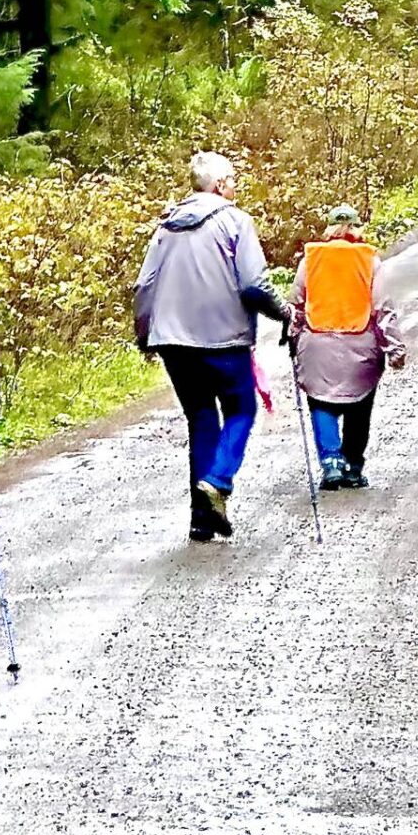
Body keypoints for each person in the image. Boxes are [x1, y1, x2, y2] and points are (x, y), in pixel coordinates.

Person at [134, 152, 288, 543]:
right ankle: (218, 480)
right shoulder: (236, 221)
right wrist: (284, 311)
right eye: (232, 179)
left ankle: (202, 519)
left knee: (201, 417)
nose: (235, 187)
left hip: (173, 341)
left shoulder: (165, 229)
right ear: (219, 185)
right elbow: (253, 284)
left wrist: (145, 335)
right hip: (223, 339)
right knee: (241, 408)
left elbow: (145, 286)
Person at [287, 206, 406, 490]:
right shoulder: (369, 261)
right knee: (359, 405)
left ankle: (331, 464)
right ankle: (353, 466)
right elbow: (383, 309)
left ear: (329, 229)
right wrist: (394, 348)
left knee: (321, 401)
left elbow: (296, 305)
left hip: (317, 345)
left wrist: (293, 336)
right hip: (360, 346)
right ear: (356, 228)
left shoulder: (310, 260)